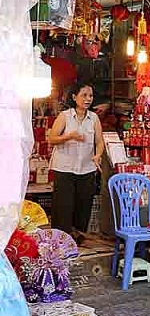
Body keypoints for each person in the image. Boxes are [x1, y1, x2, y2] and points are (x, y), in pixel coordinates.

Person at [47, 82, 104, 244]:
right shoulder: (64, 116)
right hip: (64, 168)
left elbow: (100, 142)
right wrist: (69, 136)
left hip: (86, 168)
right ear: (74, 97)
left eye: (90, 96)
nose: (88, 99)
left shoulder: (94, 118)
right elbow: (52, 139)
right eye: (84, 95)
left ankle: (78, 240)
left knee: (83, 205)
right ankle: (60, 242)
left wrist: (97, 155)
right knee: (63, 206)